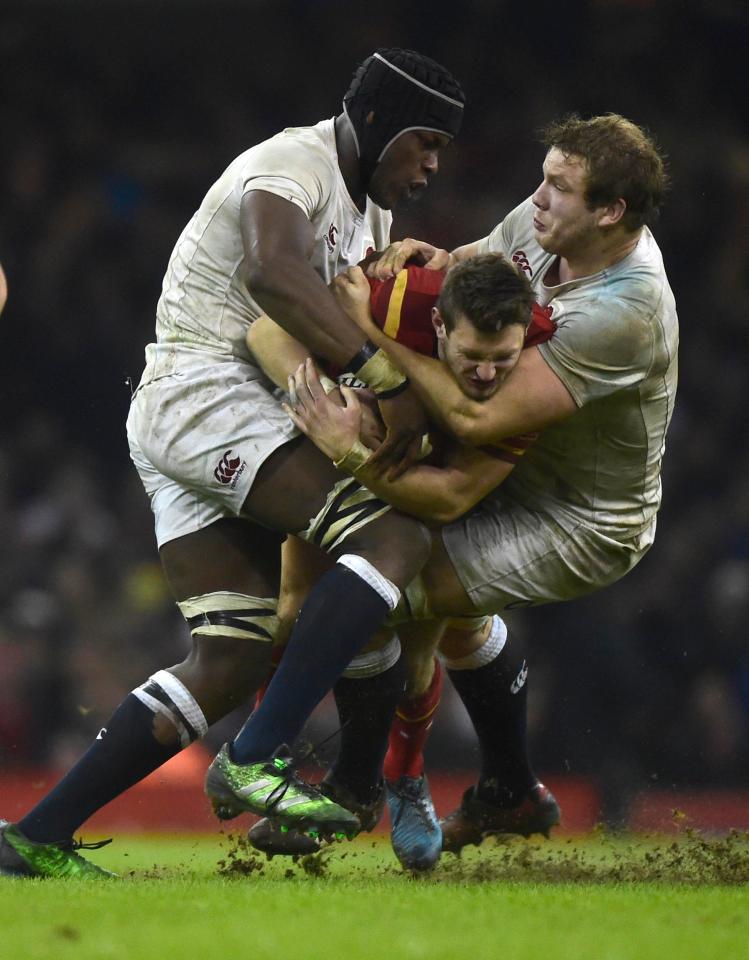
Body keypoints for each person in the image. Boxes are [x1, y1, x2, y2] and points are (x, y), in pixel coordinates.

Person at [0, 48, 465, 879]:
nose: (432, 165)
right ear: (378, 122)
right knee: (394, 540)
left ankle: (33, 837)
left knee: (232, 655)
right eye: (423, 142)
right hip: (206, 393)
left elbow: (335, 314)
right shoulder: (293, 162)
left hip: (208, 414)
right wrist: (383, 379)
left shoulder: (375, 221)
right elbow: (271, 271)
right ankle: (260, 756)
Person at [284, 113, 677, 857]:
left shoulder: (626, 311)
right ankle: (508, 789)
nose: (536, 199)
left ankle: (356, 786)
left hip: (580, 518)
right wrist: (424, 258)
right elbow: (469, 275)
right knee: (449, 623)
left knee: (376, 590)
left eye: (558, 188)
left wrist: (367, 337)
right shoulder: (549, 229)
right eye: (543, 176)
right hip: (518, 472)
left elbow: (475, 404)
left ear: (610, 212)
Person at [245, 254, 560, 871]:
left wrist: (354, 443)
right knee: (291, 612)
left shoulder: (537, 366)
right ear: (440, 324)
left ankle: (403, 778)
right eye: (474, 354)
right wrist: (332, 394)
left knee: (417, 653)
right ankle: (262, 759)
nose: (490, 373)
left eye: (504, 356)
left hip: (432, 488)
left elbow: (449, 496)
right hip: (352, 458)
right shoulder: (394, 298)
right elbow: (265, 331)